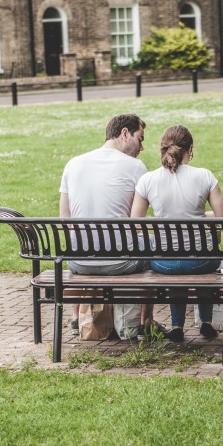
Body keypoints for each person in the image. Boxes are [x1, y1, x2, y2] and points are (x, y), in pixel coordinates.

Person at [59, 113, 161, 338]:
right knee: (153, 246)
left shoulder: (73, 164)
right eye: (140, 138)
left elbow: (65, 220)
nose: (141, 147)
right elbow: (139, 225)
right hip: (120, 262)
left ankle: (77, 318)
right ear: (125, 133)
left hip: (79, 263)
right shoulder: (136, 167)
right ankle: (145, 321)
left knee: (79, 241)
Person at [130, 125, 223, 342]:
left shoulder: (148, 180)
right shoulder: (204, 176)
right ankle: (205, 322)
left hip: (164, 263)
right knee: (204, 259)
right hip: (203, 262)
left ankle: (177, 325)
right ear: (189, 149)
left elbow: (136, 223)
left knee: (175, 267)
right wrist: (204, 217)